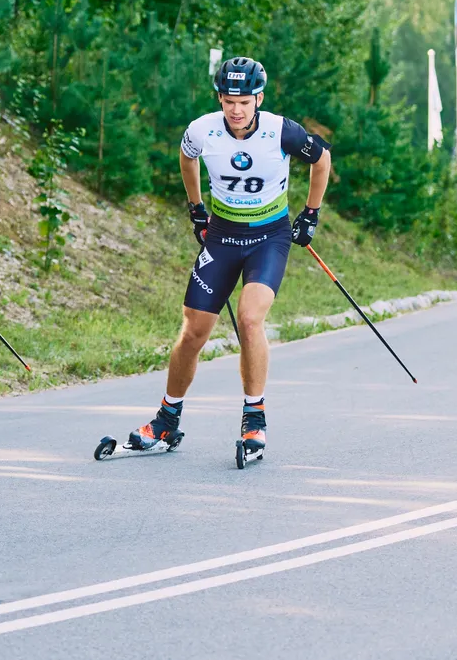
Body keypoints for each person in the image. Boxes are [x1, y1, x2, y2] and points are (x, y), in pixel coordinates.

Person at [125, 56, 331, 461]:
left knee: (250, 319)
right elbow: (187, 159)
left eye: (244, 101)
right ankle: (167, 420)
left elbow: (321, 158)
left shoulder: (281, 131)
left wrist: (310, 213)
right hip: (221, 236)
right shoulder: (202, 130)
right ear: (220, 98)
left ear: (259, 99)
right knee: (193, 332)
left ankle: (254, 420)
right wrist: (196, 208)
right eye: (228, 100)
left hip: (268, 238)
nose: (236, 110)